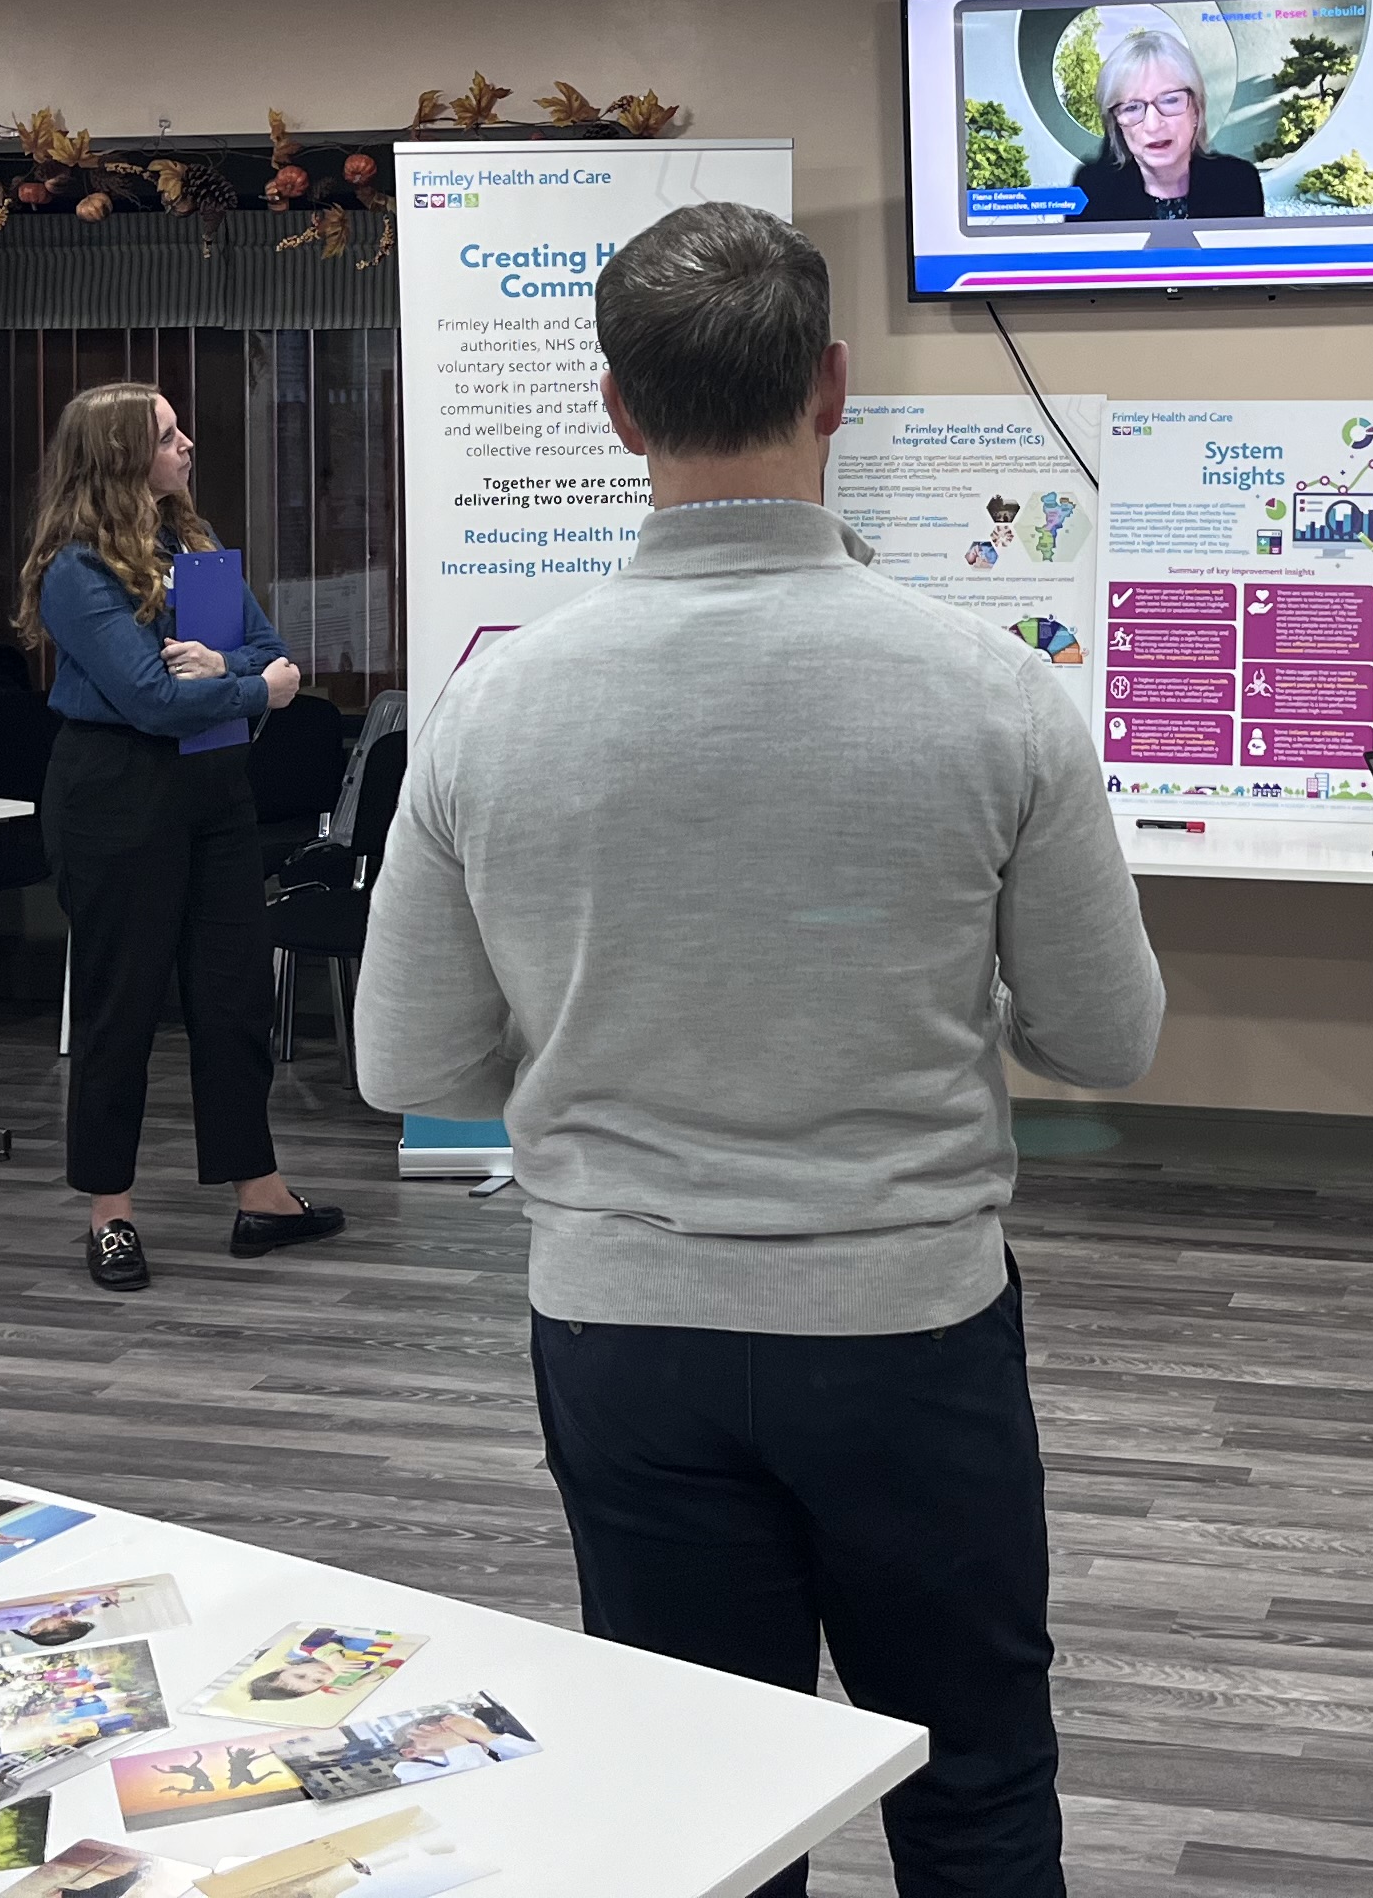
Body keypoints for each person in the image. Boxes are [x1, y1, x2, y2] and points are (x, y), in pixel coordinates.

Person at [359, 200, 1166, 1898]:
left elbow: (407, 1055)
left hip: (620, 1324)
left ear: (614, 408)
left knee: (699, 1805)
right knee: (971, 1776)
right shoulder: (992, 692)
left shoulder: (494, 706)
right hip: (905, 1321)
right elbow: (1108, 1032)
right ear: (833, 387)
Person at [17, 381, 344, 1292]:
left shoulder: (192, 548)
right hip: (115, 795)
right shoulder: (77, 571)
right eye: (167, 435)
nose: (188, 443)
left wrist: (227, 669)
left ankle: (262, 1194)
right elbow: (153, 700)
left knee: (233, 1000)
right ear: (123, 455)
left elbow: (275, 651)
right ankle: (110, 1213)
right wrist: (248, 688)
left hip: (214, 790)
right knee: (121, 1005)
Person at [1062, 21, 1265, 220]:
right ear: (1116, 124)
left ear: (1196, 110)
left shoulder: (1239, 183)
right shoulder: (1092, 190)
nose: (1153, 125)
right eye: (1132, 107)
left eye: (1169, 101)